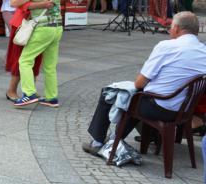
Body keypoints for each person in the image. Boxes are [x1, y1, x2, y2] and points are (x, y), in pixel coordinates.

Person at [82, 12, 206, 155]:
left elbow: (140, 83)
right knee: (138, 97)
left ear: (177, 28)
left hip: (160, 107)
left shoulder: (167, 46)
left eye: (170, 27)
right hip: (184, 110)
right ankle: (119, 138)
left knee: (113, 93)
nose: (169, 31)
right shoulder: (204, 51)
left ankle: (98, 141)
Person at [11, 0, 64, 108]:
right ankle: (52, 97)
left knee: (25, 60)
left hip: (42, 29)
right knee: (50, 65)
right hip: (57, 28)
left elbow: (13, 3)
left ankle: (29, 93)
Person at [4, 0, 47, 102]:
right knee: (20, 60)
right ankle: (11, 90)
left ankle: (30, 91)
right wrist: (44, 4)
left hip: (36, 26)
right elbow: (22, 5)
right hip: (23, 26)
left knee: (36, 59)